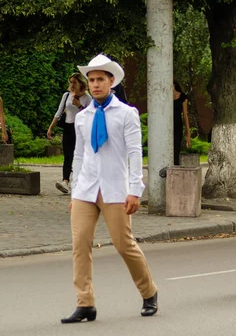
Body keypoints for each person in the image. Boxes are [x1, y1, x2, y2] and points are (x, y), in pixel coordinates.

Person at [62, 54, 157, 323]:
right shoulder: (83, 117)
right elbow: (79, 156)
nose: (95, 85)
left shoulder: (127, 114)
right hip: (86, 189)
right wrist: (75, 191)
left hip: (115, 189)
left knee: (123, 244)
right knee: (80, 245)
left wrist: (135, 190)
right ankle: (85, 304)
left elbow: (135, 153)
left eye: (100, 80)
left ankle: (149, 292)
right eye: (91, 80)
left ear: (111, 81)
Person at [47, 73, 93, 194]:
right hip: (68, 127)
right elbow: (59, 111)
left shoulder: (88, 98)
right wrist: (51, 127)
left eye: (74, 82)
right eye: (70, 82)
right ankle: (65, 182)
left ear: (81, 84)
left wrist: (79, 106)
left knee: (80, 155)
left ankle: (81, 182)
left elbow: (91, 115)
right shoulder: (66, 95)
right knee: (68, 155)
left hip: (81, 129)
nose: (72, 85)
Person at [173, 80, 191, 165]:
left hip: (177, 125)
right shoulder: (166, 97)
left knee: (176, 149)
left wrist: (188, 133)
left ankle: (175, 169)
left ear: (174, 85)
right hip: (168, 126)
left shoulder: (182, 97)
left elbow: (185, 115)